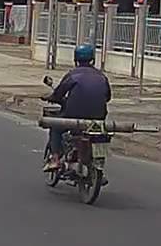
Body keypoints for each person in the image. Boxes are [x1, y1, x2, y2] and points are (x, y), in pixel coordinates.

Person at [43, 43, 111, 171]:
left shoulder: (73, 75)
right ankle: (98, 164)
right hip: (98, 118)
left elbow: (59, 93)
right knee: (101, 136)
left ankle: (55, 159)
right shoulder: (102, 77)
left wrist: (51, 98)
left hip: (74, 116)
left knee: (55, 127)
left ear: (76, 59)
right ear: (93, 59)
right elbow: (108, 97)